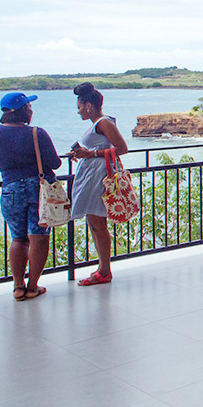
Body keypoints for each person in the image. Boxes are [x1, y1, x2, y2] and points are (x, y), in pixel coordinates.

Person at [0, 92, 61, 300]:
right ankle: (33, 286)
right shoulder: (37, 133)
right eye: (29, 106)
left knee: (18, 238)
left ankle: (18, 286)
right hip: (38, 189)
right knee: (39, 238)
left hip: (11, 190)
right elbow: (55, 163)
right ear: (25, 110)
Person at [69, 83, 129, 287]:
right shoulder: (102, 122)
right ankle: (102, 269)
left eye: (79, 107)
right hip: (94, 174)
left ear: (88, 106)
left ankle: (104, 270)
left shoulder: (103, 123)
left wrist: (90, 153)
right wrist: (84, 152)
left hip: (98, 176)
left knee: (97, 223)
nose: (77, 111)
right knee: (94, 222)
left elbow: (122, 148)